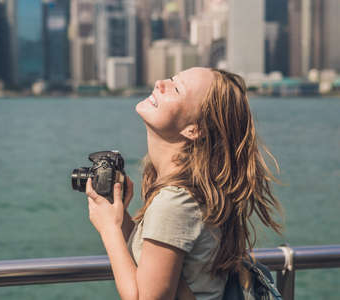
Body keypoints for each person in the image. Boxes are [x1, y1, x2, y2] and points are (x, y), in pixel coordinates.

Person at [85, 67, 282, 300]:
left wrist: (108, 228)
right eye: (170, 79)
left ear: (193, 129)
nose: (159, 82)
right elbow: (158, 267)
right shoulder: (191, 193)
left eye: (176, 89)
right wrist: (122, 221)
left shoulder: (175, 201)